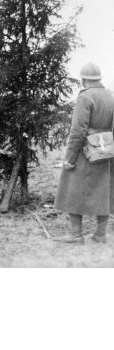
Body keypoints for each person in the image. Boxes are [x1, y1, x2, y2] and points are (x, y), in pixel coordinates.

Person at [54, 63, 114, 243]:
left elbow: (78, 131)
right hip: (106, 151)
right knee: (105, 192)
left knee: (72, 188)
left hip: (84, 152)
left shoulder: (85, 97)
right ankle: (100, 235)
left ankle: (76, 235)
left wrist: (70, 158)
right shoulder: (110, 96)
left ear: (83, 79)